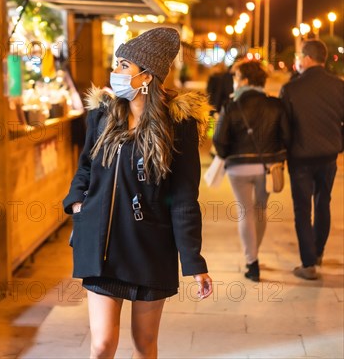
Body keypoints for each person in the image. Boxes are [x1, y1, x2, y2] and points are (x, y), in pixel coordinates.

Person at [63, 27, 213, 359]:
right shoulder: (103, 115)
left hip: (150, 247)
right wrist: (77, 203)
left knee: (144, 346)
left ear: (146, 76)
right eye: (116, 64)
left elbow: (185, 198)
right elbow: (86, 165)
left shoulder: (179, 126)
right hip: (102, 244)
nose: (114, 73)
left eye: (123, 66)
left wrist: (193, 261)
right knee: (102, 345)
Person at [213, 60, 290, 282]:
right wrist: (277, 158)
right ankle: (255, 252)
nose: (234, 82)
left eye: (236, 77)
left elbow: (219, 139)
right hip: (267, 168)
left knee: (245, 212)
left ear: (245, 80)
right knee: (260, 211)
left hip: (239, 168)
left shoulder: (232, 105)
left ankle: (252, 261)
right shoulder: (275, 105)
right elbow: (285, 136)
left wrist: (225, 154)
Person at [279, 39, 344, 280]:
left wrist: (284, 152)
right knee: (323, 202)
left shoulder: (291, 88)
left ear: (306, 58)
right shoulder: (339, 86)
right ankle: (318, 253)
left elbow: (284, 129)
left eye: (298, 56)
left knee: (303, 209)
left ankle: (308, 264)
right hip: (328, 157)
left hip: (301, 158)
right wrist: (338, 145)